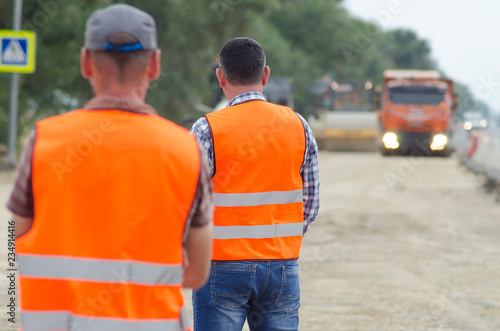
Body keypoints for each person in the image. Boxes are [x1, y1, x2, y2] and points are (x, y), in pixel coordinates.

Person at [6, 4, 213, 331]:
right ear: (155, 64)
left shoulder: (43, 140)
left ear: (85, 62)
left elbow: (12, 236)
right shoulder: (187, 149)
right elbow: (198, 273)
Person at [190, 37, 320, 331]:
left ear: (221, 77)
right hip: (282, 264)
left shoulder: (206, 128)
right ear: (265, 75)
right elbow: (310, 205)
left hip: (220, 266)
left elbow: (188, 202)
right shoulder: (298, 125)